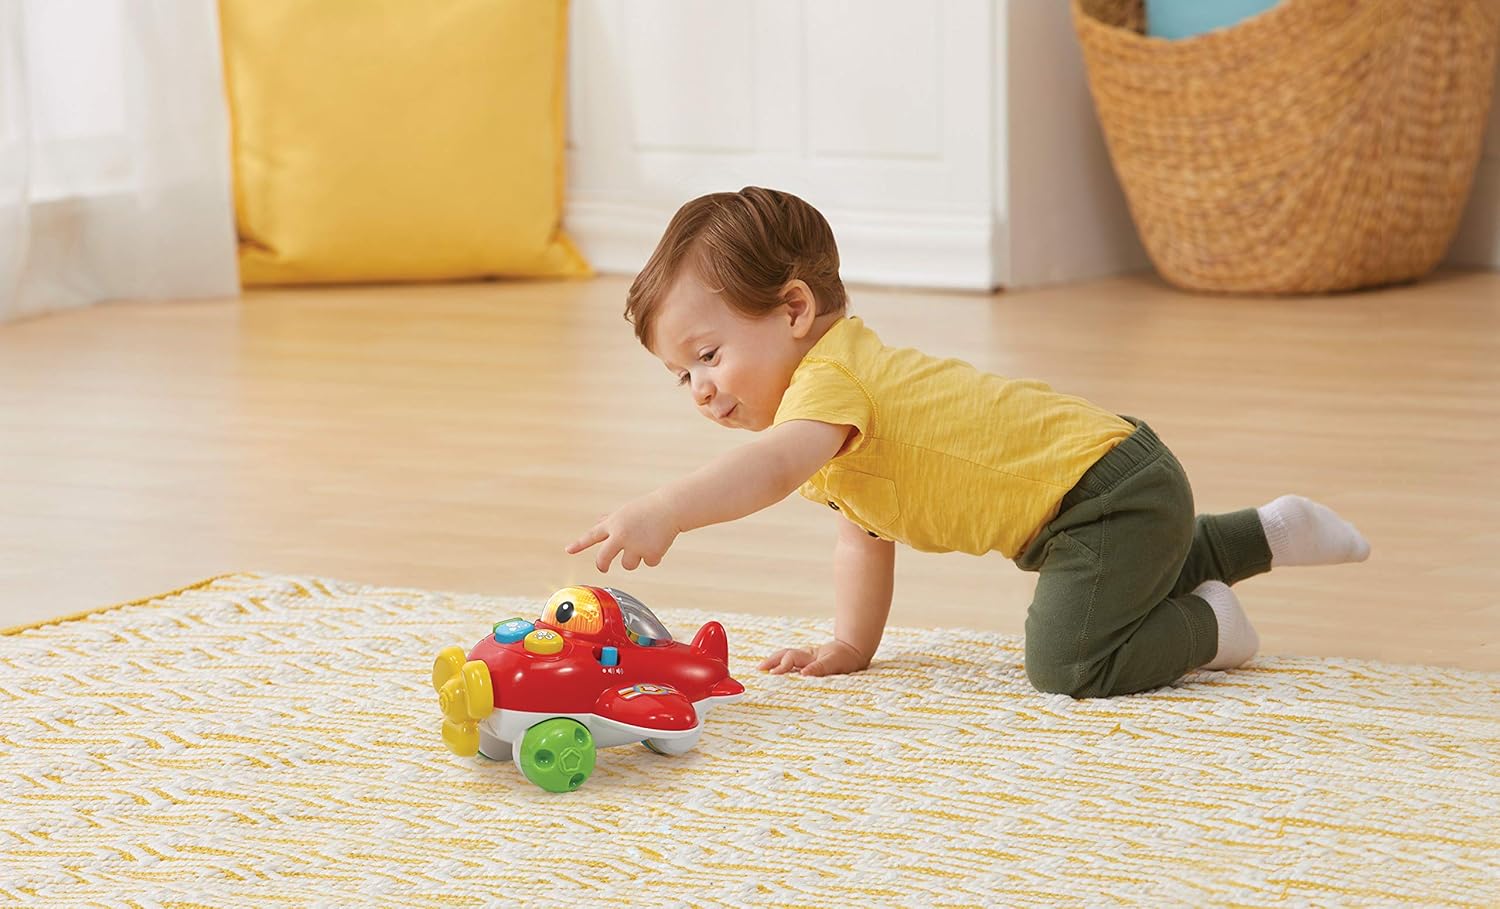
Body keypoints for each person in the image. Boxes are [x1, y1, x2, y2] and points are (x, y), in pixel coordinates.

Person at [565, 187, 1370, 697]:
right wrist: (851, 643)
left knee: (1069, 661)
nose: (700, 389)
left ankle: (1213, 626)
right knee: (1119, 575)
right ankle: (1266, 532)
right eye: (681, 375)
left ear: (794, 309)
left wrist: (669, 507)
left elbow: (768, 471)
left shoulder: (829, 387)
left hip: (1103, 496)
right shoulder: (833, 415)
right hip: (1111, 491)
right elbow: (863, 538)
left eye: (708, 355)